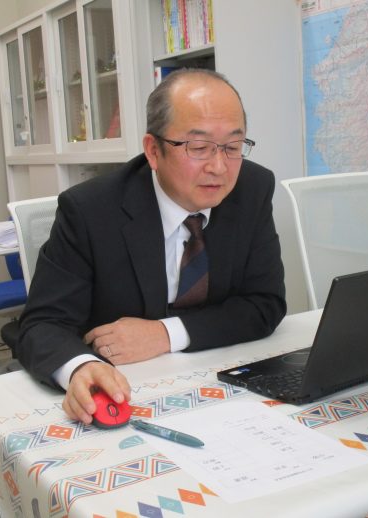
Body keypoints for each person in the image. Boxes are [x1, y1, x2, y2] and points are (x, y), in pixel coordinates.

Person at [17, 68, 286, 424]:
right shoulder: (90, 210)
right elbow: (43, 324)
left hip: (218, 390)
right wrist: (80, 367)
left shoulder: (252, 189)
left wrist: (164, 334)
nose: (219, 167)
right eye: (199, 147)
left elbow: (265, 303)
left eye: (233, 147)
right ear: (153, 151)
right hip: (125, 392)